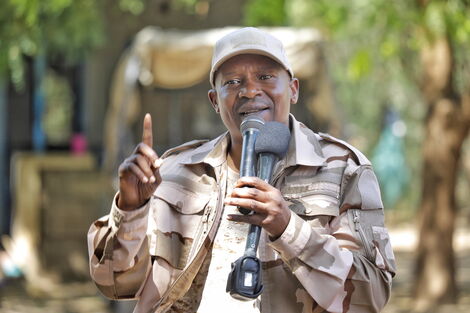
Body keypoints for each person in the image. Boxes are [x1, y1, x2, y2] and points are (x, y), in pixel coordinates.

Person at [88, 27, 396, 313]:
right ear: (214, 101)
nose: (250, 91)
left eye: (265, 77)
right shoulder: (173, 172)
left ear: (293, 89)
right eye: (233, 82)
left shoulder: (343, 169)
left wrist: (290, 229)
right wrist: (131, 209)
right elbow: (114, 283)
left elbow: (372, 298)